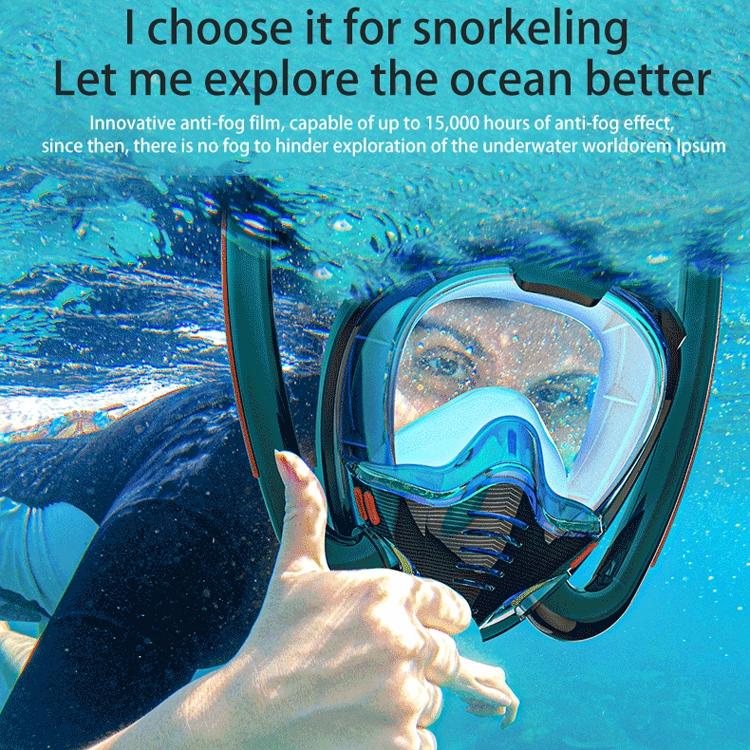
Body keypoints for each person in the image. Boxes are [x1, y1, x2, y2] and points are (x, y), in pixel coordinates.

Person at [0, 379, 518, 750]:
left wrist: (430, 655)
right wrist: (235, 717)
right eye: (444, 366)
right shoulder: (199, 524)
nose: (486, 448)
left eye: (547, 397)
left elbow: (352, 603)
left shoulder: (377, 483)